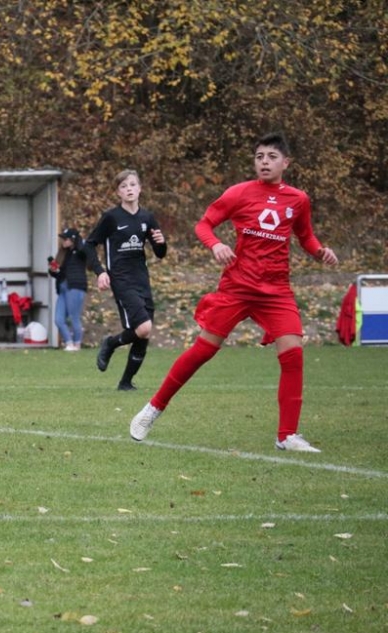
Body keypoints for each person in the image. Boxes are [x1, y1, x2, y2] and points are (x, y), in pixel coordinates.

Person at [130, 132, 339, 452]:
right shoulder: (239, 192)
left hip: (276, 291)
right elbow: (204, 225)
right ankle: (153, 409)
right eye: (259, 157)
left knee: (293, 354)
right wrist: (216, 244)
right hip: (238, 287)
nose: (264, 162)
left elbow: (305, 236)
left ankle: (287, 436)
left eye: (271, 157)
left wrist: (320, 251)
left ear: (286, 163)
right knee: (204, 350)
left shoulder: (298, 199)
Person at [86, 169, 168, 390]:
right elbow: (89, 245)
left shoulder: (147, 217)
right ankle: (111, 343)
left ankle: (125, 383)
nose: (129, 189)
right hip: (121, 279)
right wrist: (100, 272)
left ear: (140, 188)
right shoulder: (111, 217)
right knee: (144, 327)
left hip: (142, 279)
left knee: (144, 335)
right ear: (118, 192)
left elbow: (160, 253)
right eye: (123, 186)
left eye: (132, 185)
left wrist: (161, 243)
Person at [48, 227, 92, 351]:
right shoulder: (64, 253)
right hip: (63, 288)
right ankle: (69, 343)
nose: (63, 241)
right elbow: (59, 274)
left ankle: (77, 344)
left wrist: (79, 241)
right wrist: (52, 270)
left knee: (74, 317)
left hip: (76, 287)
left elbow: (87, 252)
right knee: (58, 319)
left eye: (65, 239)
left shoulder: (80, 252)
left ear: (72, 240)